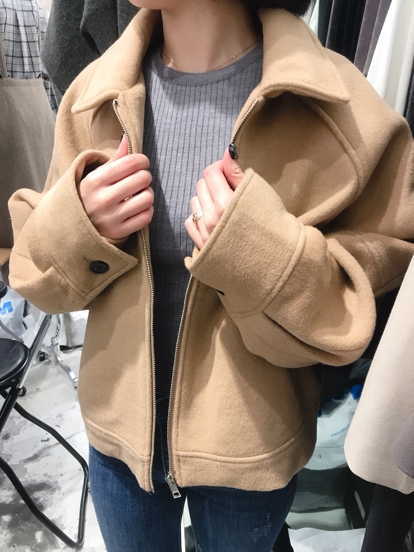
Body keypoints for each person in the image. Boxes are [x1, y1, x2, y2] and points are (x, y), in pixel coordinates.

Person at [7, 0, 414, 550]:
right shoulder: (95, 94)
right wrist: (79, 227)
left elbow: (366, 302)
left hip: (249, 450)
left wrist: (258, 251)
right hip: (117, 442)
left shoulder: (337, 107)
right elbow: (34, 274)